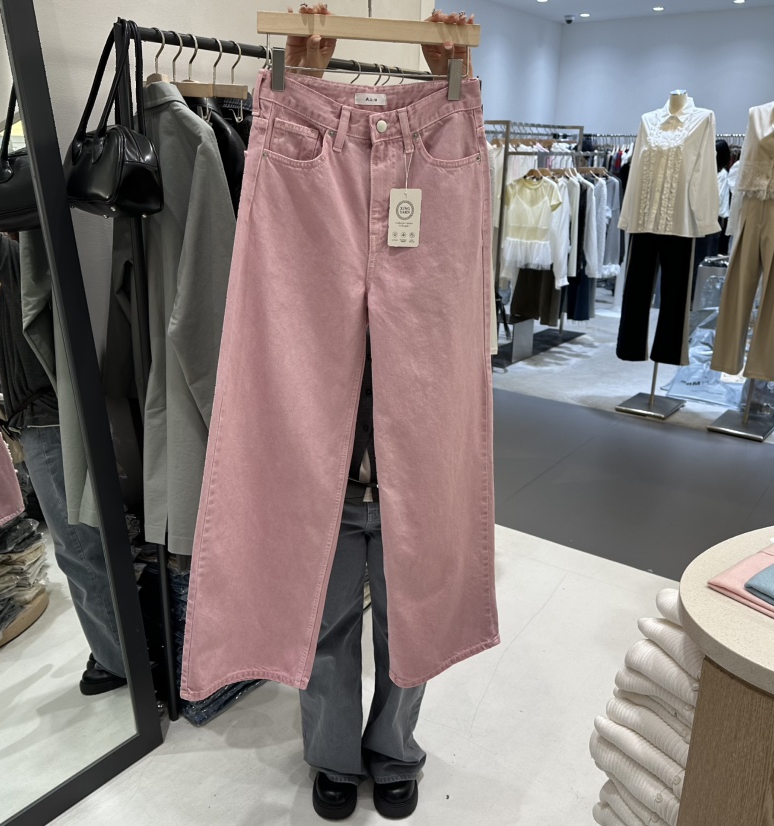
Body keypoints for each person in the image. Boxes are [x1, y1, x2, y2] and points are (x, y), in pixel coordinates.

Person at [283, 6, 475, 820]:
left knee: (412, 627)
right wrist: (302, 80)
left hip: (410, 476)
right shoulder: (308, 238)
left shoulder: (424, 241)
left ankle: (394, 749)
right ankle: (332, 753)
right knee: (325, 631)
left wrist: (448, 87)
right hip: (326, 482)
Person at [0, 223, 126, 695]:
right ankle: (119, 647)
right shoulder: (31, 263)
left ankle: (117, 659)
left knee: (79, 549)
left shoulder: (24, 258)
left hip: (49, 425)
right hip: (52, 420)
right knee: (89, 545)